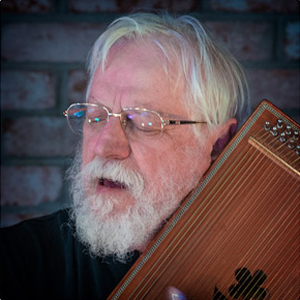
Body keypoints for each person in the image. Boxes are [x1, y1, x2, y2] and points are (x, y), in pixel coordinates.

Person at [0, 12, 249, 300]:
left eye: (144, 122)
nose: (104, 147)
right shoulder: (16, 263)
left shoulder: (278, 254)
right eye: (95, 115)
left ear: (218, 144)